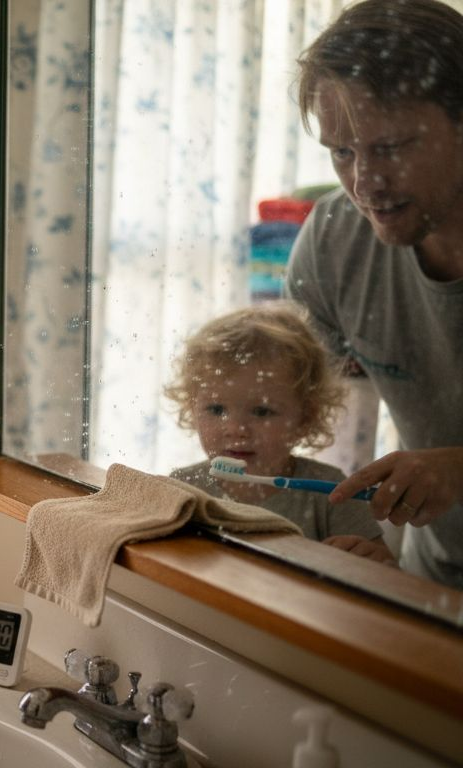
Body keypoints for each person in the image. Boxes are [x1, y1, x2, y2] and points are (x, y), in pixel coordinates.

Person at [287, 0, 463, 587]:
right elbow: (286, 398)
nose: (365, 183)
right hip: (434, 581)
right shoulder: (337, 238)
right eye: (342, 151)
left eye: (389, 148)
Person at [165, 305, 396, 564]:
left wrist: (372, 561)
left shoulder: (330, 493)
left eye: (262, 412)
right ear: (191, 408)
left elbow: (387, 574)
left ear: (305, 418)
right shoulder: (183, 489)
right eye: (216, 409)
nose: (236, 430)